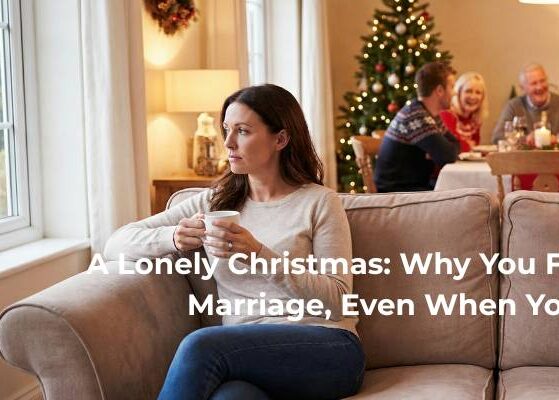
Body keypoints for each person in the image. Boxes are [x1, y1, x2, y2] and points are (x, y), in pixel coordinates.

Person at [103, 84, 365, 400]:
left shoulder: (319, 202)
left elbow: (338, 300)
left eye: (241, 131)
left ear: (280, 139)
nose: (227, 143)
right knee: (231, 397)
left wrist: (259, 254)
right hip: (247, 356)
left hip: (326, 348)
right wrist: (173, 237)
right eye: (226, 130)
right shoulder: (214, 203)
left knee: (200, 345)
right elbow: (116, 243)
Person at [374, 62, 460, 192]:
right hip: (397, 195)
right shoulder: (416, 116)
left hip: (413, 187)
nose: (454, 93)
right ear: (439, 91)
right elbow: (448, 156)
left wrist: (440, 151)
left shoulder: (429, 115)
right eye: (452, 87)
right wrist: (440, 151)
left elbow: (454, 145)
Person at [490, 63, 559, 144]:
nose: (539, 87)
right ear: (523, 88)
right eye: (534, 83)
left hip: (558, 161)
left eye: (542, 81)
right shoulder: (513, 106)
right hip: (525, 161)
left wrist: (557, 139)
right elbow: (497, 136)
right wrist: (526, 139)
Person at [440, 72, 488, 152]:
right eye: (468, 91)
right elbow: (453, 146)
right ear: (458, 93)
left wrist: (467, 146)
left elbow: (474, 147)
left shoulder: (475, 118)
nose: (473, 97)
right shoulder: (447, 114)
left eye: (478, 93)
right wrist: (467, 145)